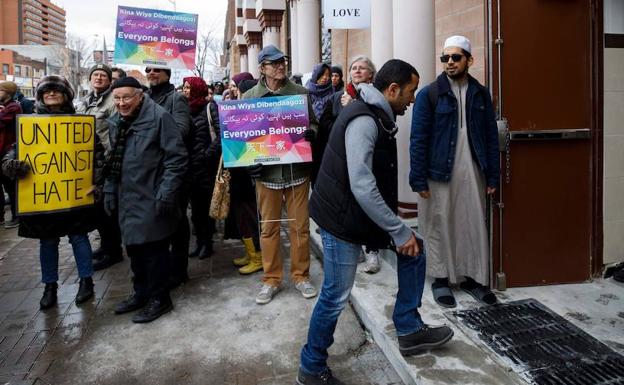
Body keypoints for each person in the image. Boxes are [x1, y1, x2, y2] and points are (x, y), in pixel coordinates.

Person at [297, 59, 453, 385]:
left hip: (358, 213)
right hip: (342, 219)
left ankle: (409, 328)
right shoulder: (364, 120)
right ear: (392, 89)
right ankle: (311, 367)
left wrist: (397, 231)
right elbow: (361, 184)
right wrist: (397, 229)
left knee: (414, 250)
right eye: (410, 92)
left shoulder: (375, 113)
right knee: (335, 295)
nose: (412, 100)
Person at [409, 35, 500, 308]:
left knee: (471, 223)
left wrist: (493, 175)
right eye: (445, 58)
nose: (449, 62)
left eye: (455, 57)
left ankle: (472, 278)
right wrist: (418, 178)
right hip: (438, 171)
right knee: (438, 223)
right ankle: (440, 279)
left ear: (469, 60)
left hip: (473, 169)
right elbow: (418, 138)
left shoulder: (481, 93)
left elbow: (490, 137)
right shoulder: (429, 94)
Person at [2, 75, 95, 310]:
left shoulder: (79, 123)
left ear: (66, 95)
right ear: (41, 96)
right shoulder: (30, 124)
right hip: (44, 195)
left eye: (56, 91)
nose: (51, 95)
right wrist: (12, 165)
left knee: (79, 237)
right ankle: (50, 285)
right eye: (47, 92)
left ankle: (87, 280)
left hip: (73, 192)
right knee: (48, 241)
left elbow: (96, 154)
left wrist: (98, 180)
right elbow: (15, 152)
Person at [104, 76, 187, 323]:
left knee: (155, 252)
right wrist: (109, 189)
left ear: (140, 96)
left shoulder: (159, 117)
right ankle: (140, 293)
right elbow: (113, 161)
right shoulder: (117, 121)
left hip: (152, 195)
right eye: (117, 98)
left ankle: (160, 299)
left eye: (126, 97)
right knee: (135, 250)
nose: (121, 103)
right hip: (127, 197)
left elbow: (176, 159)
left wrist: (166, 192)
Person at [243, 45, 318, 304]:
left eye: (282, 62)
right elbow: (243, 136)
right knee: (268, 229)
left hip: (297, 170)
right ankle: (271, 279)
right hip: (267, 175)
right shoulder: (249, 97)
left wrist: (312, 134)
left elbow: (315, 123)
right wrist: (249, 163)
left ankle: (301, 276)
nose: (280, 66)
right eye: (274, 63)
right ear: (262, 68)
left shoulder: (300, 94)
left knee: (300, 228)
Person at [317, 56, 382, 274]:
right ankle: (356, 249)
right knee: (350, 206)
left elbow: (378, 122)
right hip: (344, 159)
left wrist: (353, 108)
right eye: (354, 68)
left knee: (368, 201)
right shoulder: (337, 98)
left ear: (371, 74)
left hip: (369, 159)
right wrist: (344, 112)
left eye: (362, 68)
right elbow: (326, 125)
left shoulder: (376, 98)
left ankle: (373, 250)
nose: (357, 71)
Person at [145, 66, 193, 289]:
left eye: (156, 70)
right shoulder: (143, 97)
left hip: (173, 171)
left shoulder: (177, 99)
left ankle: (179, 269)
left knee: (177, 220)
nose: (151, 73)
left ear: (167, 73)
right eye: (148, 69)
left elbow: (182, 130)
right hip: (149, 172)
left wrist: (150, 133)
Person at [76, 64, 124, 271]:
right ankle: (105, 246)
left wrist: (111, 160)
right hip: (88, 164)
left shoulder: (113, 101)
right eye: (95, 75)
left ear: (109, 80)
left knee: (107, 209)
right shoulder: (85, 101)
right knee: (97, 208)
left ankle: (113, 251)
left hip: (106, 160)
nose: (98, 78)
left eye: (103, 75)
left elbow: (116, 132)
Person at [229, 77, 263, 275]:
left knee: (250, 218)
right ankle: (250, 254)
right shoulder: (235, 112)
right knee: (242, 218)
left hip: (248, 176)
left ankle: (258, 256)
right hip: (238, 173)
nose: (233, 91)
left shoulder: (252, 114)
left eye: (236, 88)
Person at [182, 76, 217, 260]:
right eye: (184, 87)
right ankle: (200, 244)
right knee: (195, 210)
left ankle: (208, 244)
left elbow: (220, 135)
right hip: (190, 168)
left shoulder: (210, 108)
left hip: (206, 168)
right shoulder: (184, 110)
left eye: (188, 87)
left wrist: (206, 155)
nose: (185, 90)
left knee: (205, 210)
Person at [0, 81, 22, 228]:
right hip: (2, 151)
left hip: (8, 152)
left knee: (11, 187)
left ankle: (16, 216)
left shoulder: (14, 107)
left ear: (7, 92)